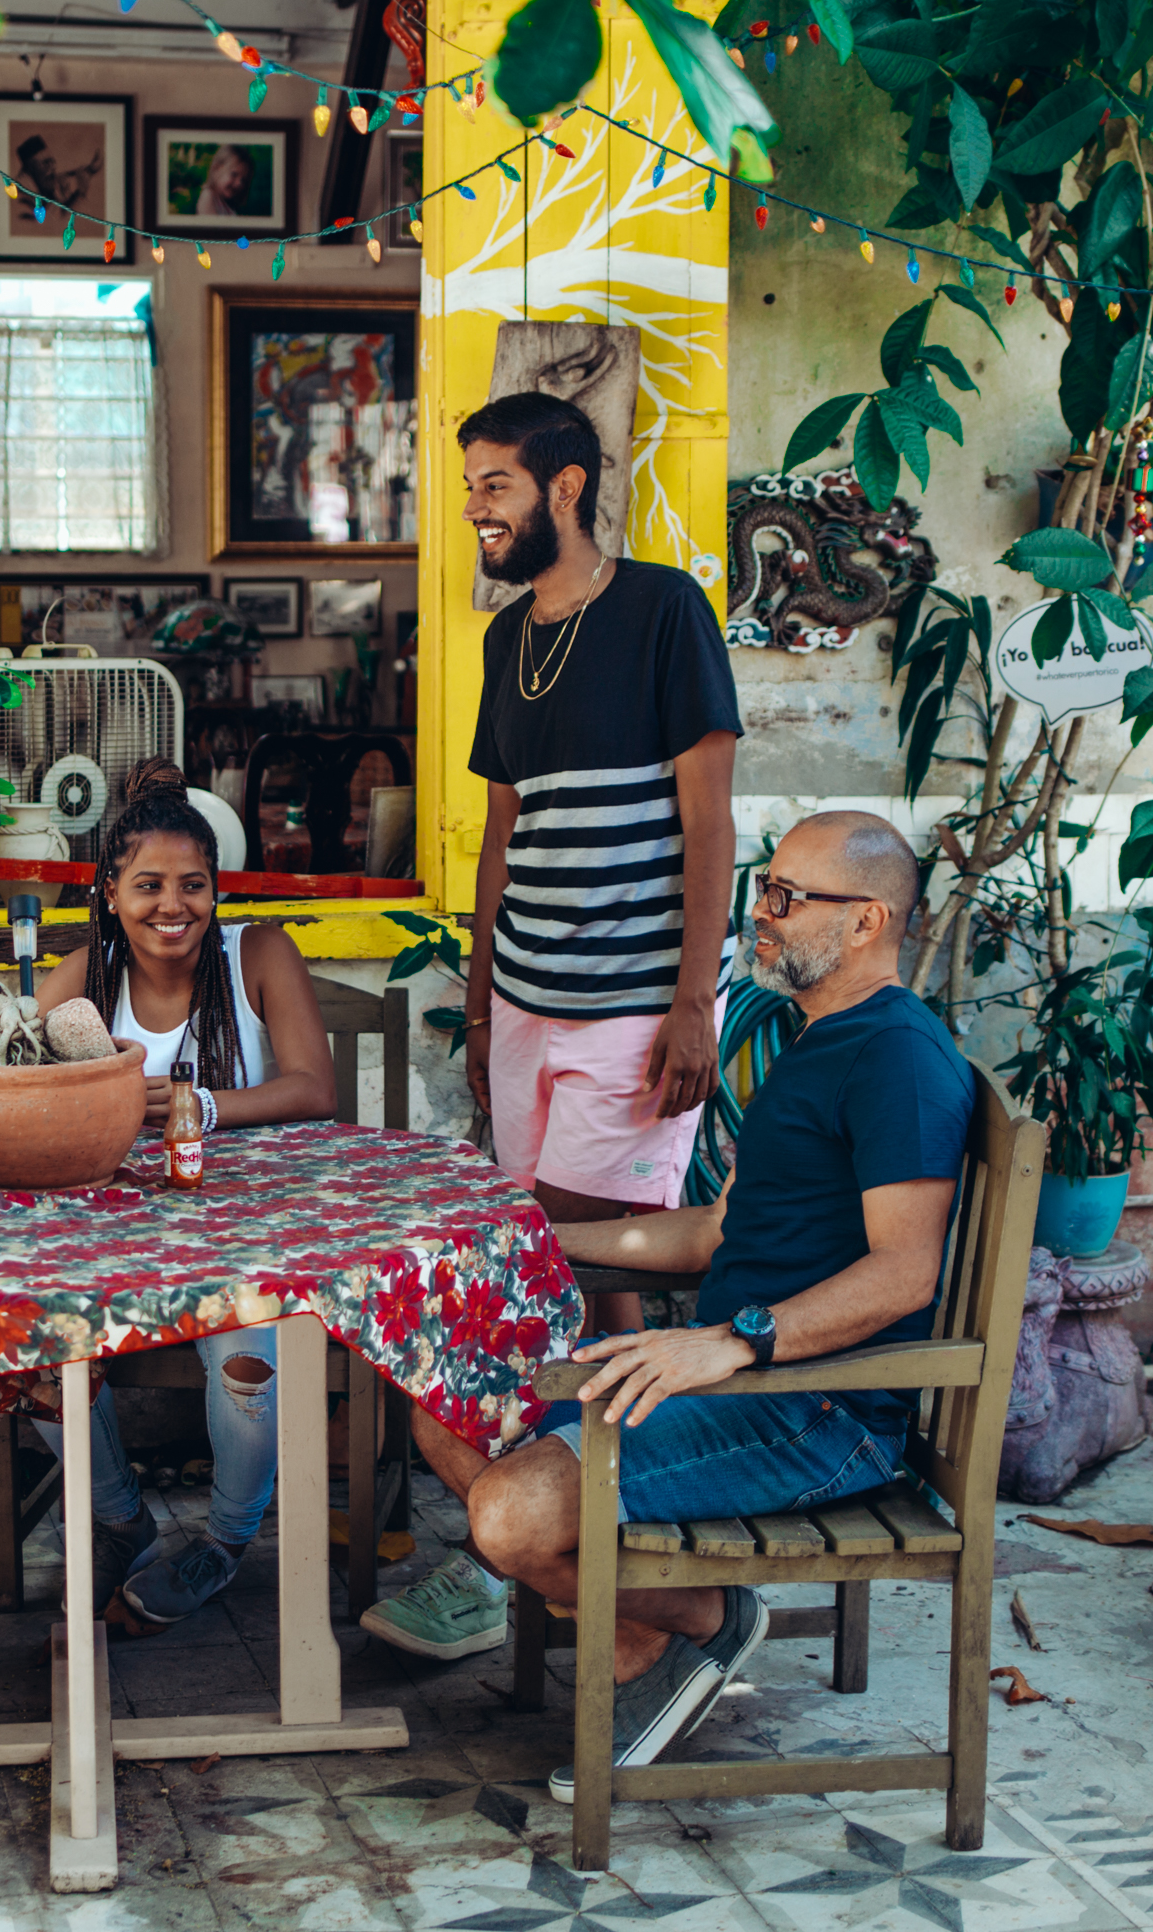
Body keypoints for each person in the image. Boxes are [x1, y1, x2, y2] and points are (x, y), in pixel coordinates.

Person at [361, 811, 971, 1809]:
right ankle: (655, 1634)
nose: (761, 914)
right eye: (764, 890)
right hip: (741, 1378)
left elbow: (906, 1273)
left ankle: (703, 1618)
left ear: (868, 920)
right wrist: (536, 1233)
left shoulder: (897, 1058)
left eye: (787, 897)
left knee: (511, 1515)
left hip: (816, 1409)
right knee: (448, 1402)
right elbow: (714, 1234)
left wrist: (733, 1341)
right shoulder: (816, 1040)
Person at [355, 390, 742, 1660]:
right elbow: (502, 834)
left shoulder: (666, 611)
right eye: (470, 484)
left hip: (634, 1009)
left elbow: (709, 820)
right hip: (523, 998)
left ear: (566, 487)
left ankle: (543, 1552)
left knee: (566, 1268)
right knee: (563, 1279)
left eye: (496, 484)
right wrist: (478, 1006)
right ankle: (583, 1552)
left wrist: (693, 1002)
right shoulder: (506, 637)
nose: (474, 506)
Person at [35, 758, 337, 1631]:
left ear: (216, 889)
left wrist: (198, 1105)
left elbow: (314, 1088)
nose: (173, 906)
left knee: (248, 1351)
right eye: (149, 886)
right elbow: (12, 1079)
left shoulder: (258, 955)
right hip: (111, 1243)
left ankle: (224, 1542)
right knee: (26, 1346)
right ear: (110, 894)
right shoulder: (85, 981)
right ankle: (119, 1519)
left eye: (193, 885)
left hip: (245, 1236)